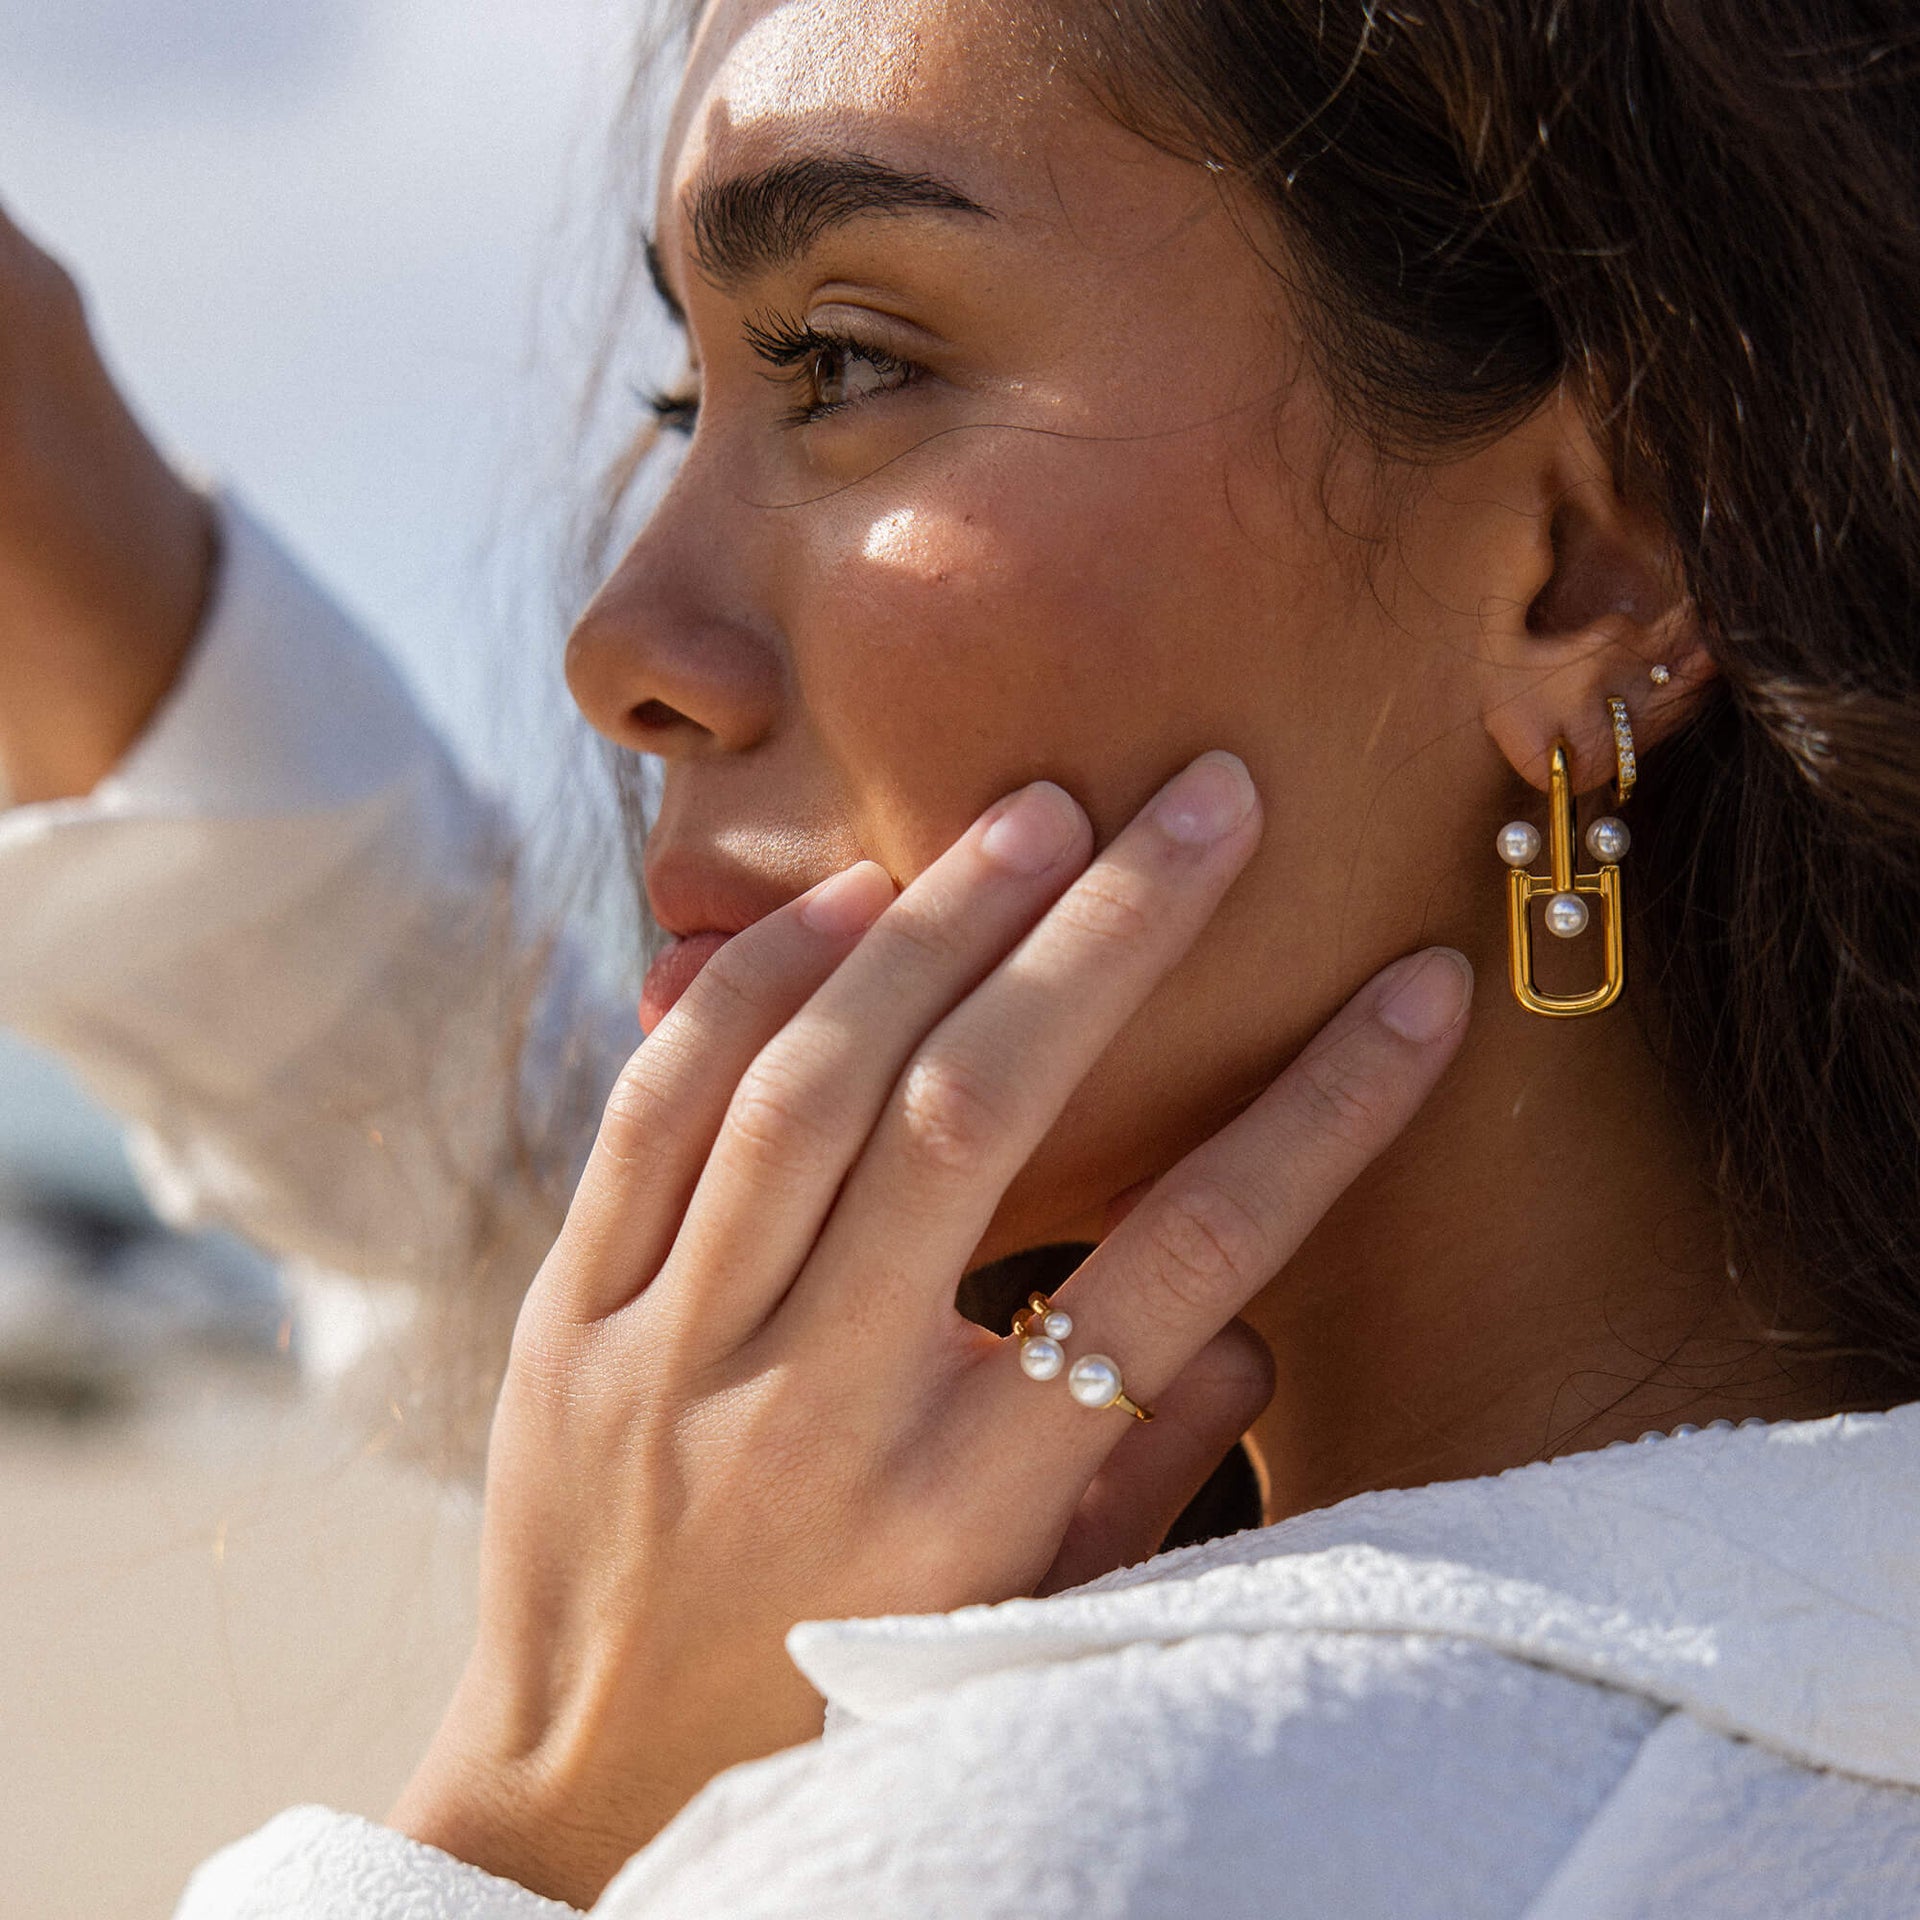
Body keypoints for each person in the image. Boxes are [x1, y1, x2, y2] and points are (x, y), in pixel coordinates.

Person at [5, 0, 1920, 1913]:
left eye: (842, 363)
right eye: (688, 405)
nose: (619, 646)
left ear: (1584, 570)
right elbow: (564, 1212)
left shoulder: (1085, 1837)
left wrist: (538, 1811)